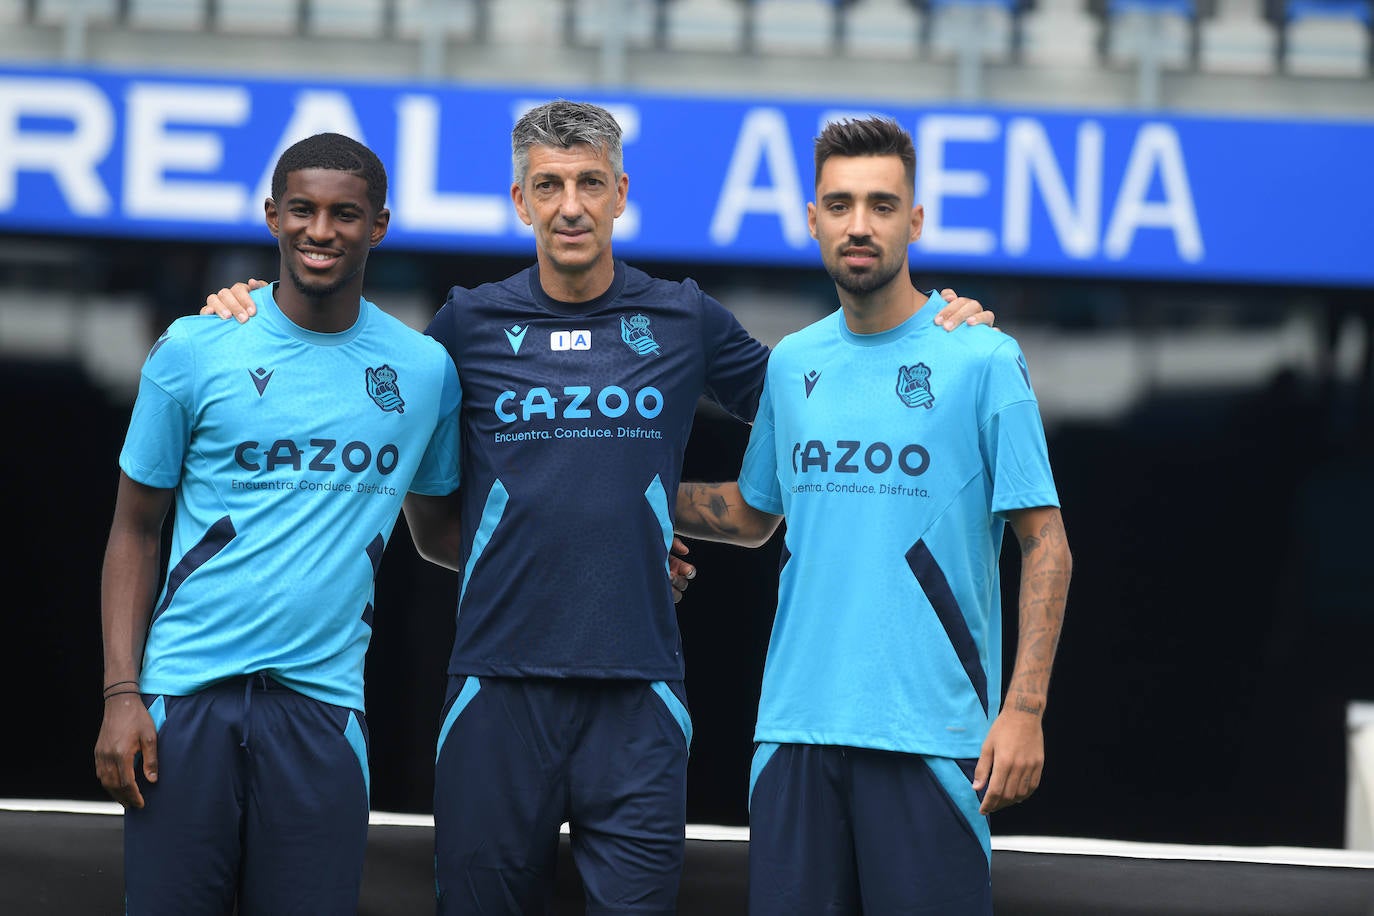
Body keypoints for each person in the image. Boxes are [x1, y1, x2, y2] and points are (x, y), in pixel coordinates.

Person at [202, 100, 995, 914]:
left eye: (588, 183)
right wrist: (256, 310)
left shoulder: (684, 319)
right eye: (547, 186)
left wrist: (930, 329)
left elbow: (822, 393)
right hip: (495, 695)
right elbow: (410, 473)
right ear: (520, 201)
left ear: (620, 191)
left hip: (639, 701)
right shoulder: (467, 327)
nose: (569, 206)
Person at [673, 116, 1072, 915]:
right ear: (812, 218)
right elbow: (755, 514)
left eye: (882, 204)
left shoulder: (983, 359)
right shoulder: (793, 364)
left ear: (915, 222)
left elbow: (1047, 547)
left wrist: (1022, 712)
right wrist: (616, 494)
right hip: (794, 734)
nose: (860, 224)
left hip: (931, 739)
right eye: (841, 203)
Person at [94, 132, 463, 914]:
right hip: (182, 703)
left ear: (381, 225)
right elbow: (133, 529)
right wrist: (121, 693)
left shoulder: (423, 370)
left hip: (322, 713)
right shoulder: (195, 348)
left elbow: (441, 533)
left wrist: (600, 557)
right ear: (271, 215)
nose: (321, 231)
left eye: (344, 214)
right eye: (302, 209)